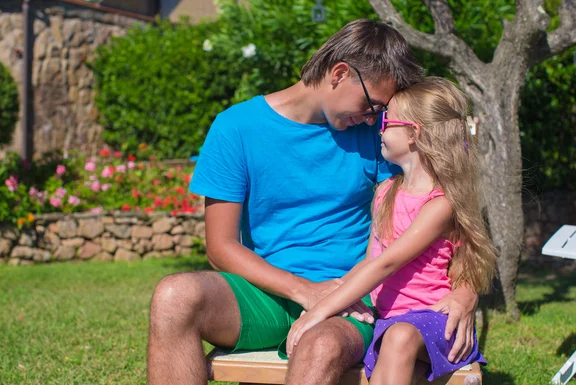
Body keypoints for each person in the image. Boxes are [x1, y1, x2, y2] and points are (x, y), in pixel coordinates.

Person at [147, 19, 479, 385]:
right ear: (339, 73)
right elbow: (220, 247)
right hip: (265, 294)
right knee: (174, 296)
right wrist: (304, 291)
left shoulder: (376, 136)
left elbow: (441, 217)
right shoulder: (235, 128)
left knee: (320, 344)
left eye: (381, 112)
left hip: (351, 301)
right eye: (371, 105)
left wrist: (465, 294)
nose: (373, 118)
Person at [286, 77, 497, 385]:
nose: (379, 128)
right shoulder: (386, 191)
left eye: (386, 120)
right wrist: (339, 293)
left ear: (413, 134)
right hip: (392, 321)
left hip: (437, 323)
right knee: (395, 349)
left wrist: (321, 310)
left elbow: (387, 264)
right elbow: (373, 258)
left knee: (399, 338)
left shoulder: (440, 205)